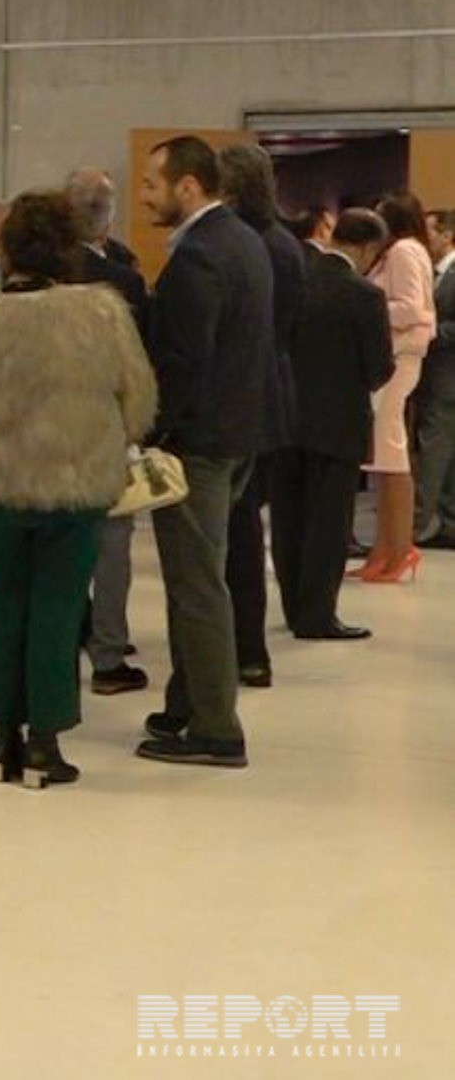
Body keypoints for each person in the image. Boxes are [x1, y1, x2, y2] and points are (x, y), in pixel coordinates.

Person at [0, 191, 156, 788]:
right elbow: (139, 401)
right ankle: (44, 744)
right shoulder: (100, 313)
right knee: (59, 611)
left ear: (8, 249)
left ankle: (0, 741)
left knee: (1, 607)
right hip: (74, 485)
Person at [136, 135, 269, 769]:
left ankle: (217, 728)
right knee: (200, 578)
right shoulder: (244, 240)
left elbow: (184, 361)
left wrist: (150, 432)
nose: (144, 195)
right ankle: (185, 705)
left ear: (187, 186)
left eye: (151, 184)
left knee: (196, 587)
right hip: (237, 435)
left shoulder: (199, 258)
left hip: (200, 444)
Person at [276, 210, 394, 641]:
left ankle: (293, 608)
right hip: (338, 423)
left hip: (286, 418)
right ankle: (318, 615)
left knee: (289, 519)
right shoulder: (364, 295)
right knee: (328, 522)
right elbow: (379, 367)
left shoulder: (293, 282)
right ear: (368, 248)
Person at [218, 144, 307, 688]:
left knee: (238, 534)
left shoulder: (246, 244)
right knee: (246, 529)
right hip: (272, 399)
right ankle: (246, 647)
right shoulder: (284, 243)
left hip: (243, 401)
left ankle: (245, 647)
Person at [65, 166, 150, 693]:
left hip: (47, 429)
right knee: (112, 541)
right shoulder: (124, 283)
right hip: (105, 425)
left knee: (60, 537)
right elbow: (138, 364)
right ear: (107, 221)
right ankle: (108, 653)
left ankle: (63, 640)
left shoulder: (35, 279)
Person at [358, 190, 435, 583]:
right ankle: (386, 548)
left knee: (391, 453)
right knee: (386, 455)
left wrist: (367, 308)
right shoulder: (402, 251)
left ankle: (399, 548)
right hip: (393, 355)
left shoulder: (404, 251)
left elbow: (412, 307)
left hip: (399, 356)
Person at [410, 210, 455, 547]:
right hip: (436, 376)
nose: (425, 239)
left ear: (447, 235)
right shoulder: (436, 273)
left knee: (435, 452)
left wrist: (430, 331)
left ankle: (424, 524)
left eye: (430, 232)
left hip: (446, 375)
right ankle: (442, 521)